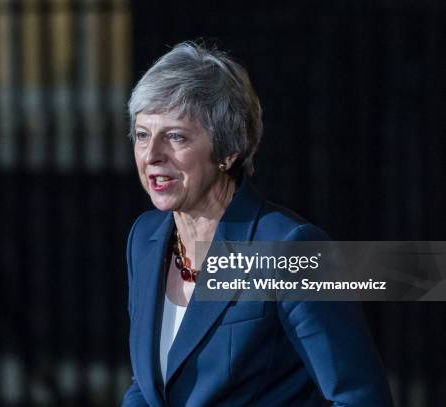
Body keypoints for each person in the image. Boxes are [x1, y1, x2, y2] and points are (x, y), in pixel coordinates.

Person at [122, 41, 393, 406]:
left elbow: (360, 398)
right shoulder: (145, 238)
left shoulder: (289, 247)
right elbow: (149, 386)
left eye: (175, 136)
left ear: (228, 150)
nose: (152, 154)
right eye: (142, 134)